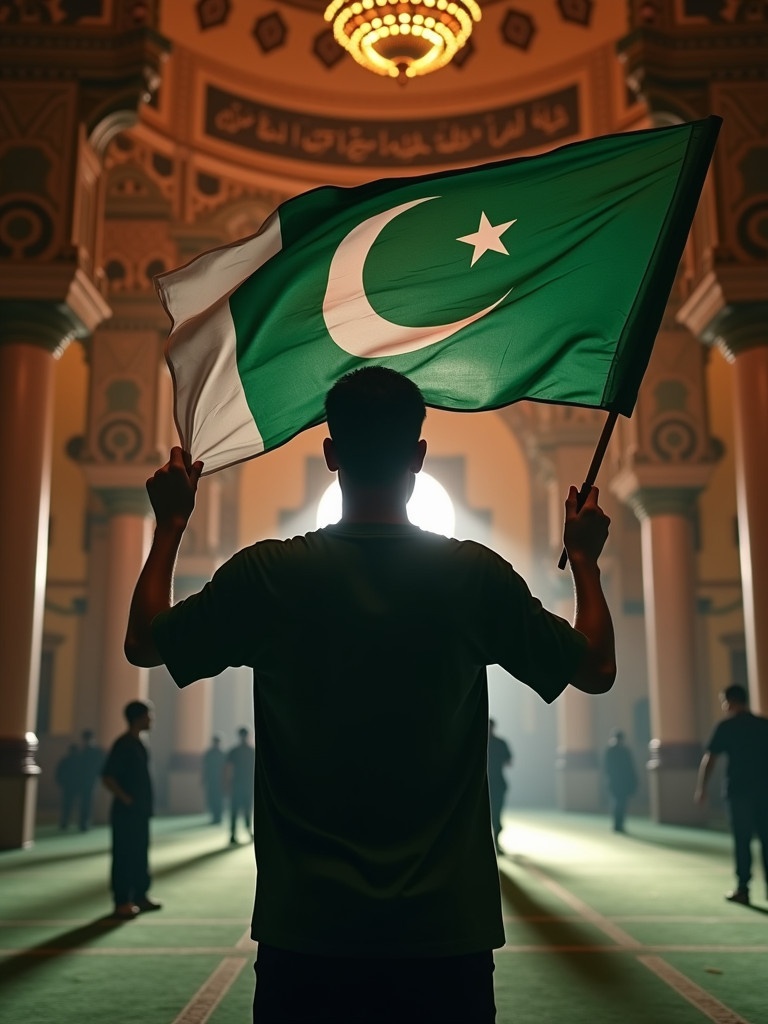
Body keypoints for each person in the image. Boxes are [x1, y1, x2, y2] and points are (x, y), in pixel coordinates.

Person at [124, 367, 615, 1023]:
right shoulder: (472, 577)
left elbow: (144, 642)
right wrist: (583, 559)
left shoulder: (270, 577)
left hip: (305, 937)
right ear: (418, 456)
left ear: (330, 454)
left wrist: (172, 523)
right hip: (446, 940)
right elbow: (596, 667)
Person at [695, 683, 768, 905]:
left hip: (738, 792)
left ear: (730, 702)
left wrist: (702, 787)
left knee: (742, 840)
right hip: (765, 791)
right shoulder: (764, 725)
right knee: (767, 841)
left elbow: (710, 760)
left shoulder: (726, 727)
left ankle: (743, 889)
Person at [101, 700, 162, 920]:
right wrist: (127, 800)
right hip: (126, 813)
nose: (152, 719)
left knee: (139, 853)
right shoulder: (124, 744)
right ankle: (122, 901)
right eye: (149, 715)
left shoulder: (139, 743)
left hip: (139, 813)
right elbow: (107, 777)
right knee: (124, 855)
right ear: (138, 718)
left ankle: (140, 896)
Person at [603, 728, 637, 833]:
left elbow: (630, 768)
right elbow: (607, 768)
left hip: (620, 782)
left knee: (620, 803)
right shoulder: (614, 751)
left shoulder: (620, 751)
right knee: (618, 803)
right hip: (617, 782)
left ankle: (619, 824)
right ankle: (617, 824)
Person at [487, 719, 513, 853]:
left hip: (493, 784)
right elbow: (509, 762)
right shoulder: (500, 743)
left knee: (495, 814)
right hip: (495, 784)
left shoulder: (496, 743)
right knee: (495, 813)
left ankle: (494, 842)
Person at [227, 726, 256, 844]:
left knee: (240, 810)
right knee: (244, 810)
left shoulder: (235, 751)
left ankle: (235, 834)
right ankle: (244, 832)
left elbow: (228, 769)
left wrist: (227, 783)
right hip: (244, 784)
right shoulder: (251, 751)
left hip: (240, 784)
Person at [77, 728, 104, 831]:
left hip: (89, 780)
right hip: (89, 780)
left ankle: (84, 822)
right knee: (86, 802)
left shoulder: (86, 751)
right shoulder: (92, 751)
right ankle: (84, 822)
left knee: (86, 802)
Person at [55, 743, 81, 831]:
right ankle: (79, 823)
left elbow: (59, 773)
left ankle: (65, 822)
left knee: (67, 805)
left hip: (68, 786)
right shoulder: (79, 761)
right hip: (76, 786)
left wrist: (61, 782)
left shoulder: (66, 760)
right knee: (74, 805)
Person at [202, 734, 226, 825]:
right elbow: (206, 767)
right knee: (212, 799)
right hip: (213, 780)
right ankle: (215, 817)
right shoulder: (211, 753)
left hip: (219, 780)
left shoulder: (221, 753)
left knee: (218, 799)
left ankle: (218, 817)